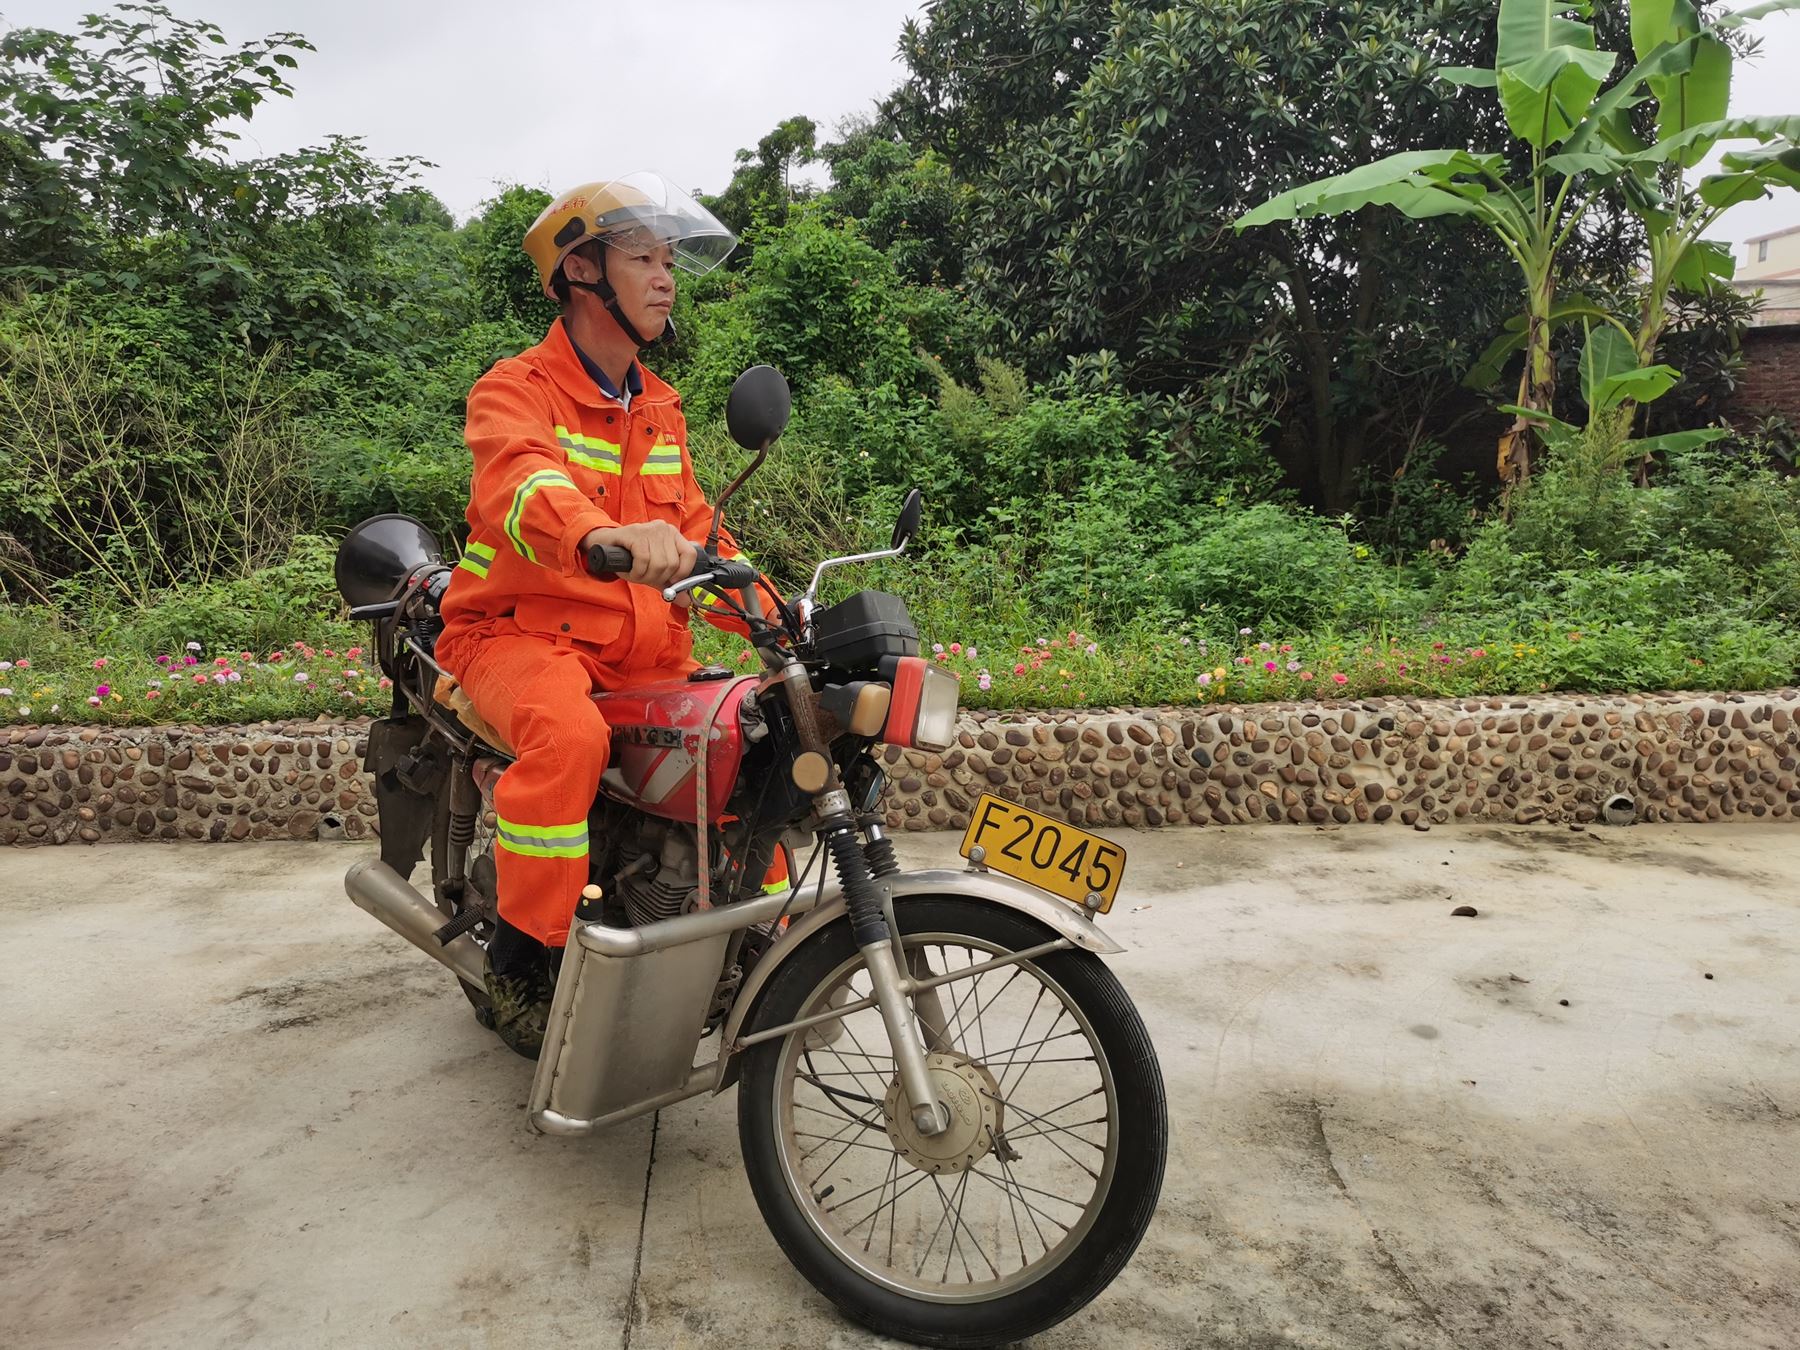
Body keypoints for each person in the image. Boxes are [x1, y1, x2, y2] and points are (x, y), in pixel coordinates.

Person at [435, 172, 756, 1058]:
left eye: (670, 262)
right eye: (644, 259)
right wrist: (599, 534)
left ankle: (746, 933)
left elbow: (698, 532)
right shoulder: (515, 388)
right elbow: (522, 483)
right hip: (514, 633)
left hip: (639, 647)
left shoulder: (658, 406)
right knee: (569, 740)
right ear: (581, 271)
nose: (666, 278)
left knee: (751, 737)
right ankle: (522, 962)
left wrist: (774, 608)